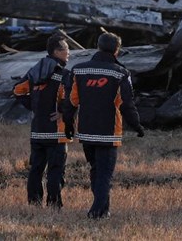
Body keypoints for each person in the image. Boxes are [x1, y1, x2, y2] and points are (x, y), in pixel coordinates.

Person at [61, 31, 144, 219]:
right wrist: (137, 125)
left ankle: (104, 210)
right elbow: (126, 103)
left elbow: (71, 101)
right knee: (105, 174)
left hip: (87, 131)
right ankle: (96, 211)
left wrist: (68, 124)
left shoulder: (78, 70)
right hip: (109, 132)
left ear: (98, 46)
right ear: (117, 50)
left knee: (96, 171)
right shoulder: (121, 73)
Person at [12, 32, 72, 208]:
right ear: (56, 51)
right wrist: (62, 111)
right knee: (55, 170)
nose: (69, 53)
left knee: (36, 169)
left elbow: (17, 90)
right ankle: (54, 205)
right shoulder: (63, 74)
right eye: (66, 49)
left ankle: (34, 203)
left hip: (37, 130)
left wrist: (34, 106)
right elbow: (71, 98)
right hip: (56, 132)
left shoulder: (34, 71)